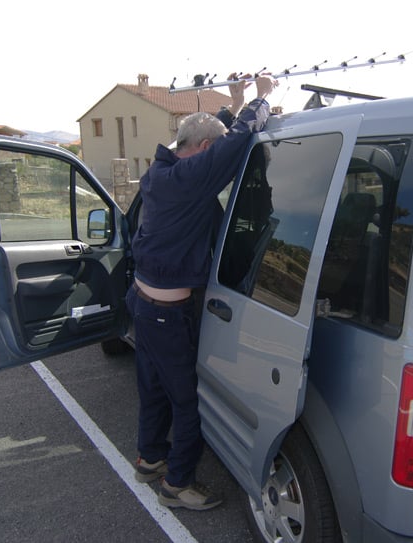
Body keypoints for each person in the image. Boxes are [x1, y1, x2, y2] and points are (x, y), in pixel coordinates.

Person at [125, 73, 277, 511]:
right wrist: (261, 99)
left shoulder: (163, 171)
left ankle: (150, 457)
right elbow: (229, 148)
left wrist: (233, 103)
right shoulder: (189, 178)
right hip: (165, 316)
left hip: (144, 304)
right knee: (186, 401)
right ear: (203, 150)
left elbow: (214, 144)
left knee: (153, 389)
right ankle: (177, 484)